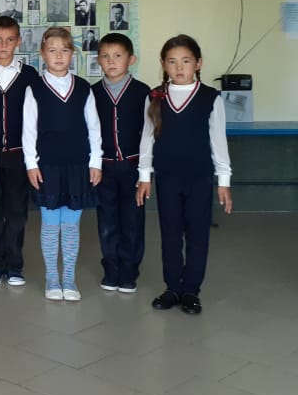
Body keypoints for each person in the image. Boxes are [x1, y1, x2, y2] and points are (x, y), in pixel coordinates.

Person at [137, 35, 232, 315]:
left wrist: (224, 181)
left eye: (186, 61)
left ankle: (191, 290)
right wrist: (144, 176)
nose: (179, 67)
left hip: (199, 178)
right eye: (172, 61)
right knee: (170, 233)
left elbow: (218, 142)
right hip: (167, 178)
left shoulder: (210, 98)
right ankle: (172, 288)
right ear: (163, 64)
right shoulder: (155, 96)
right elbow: (147, 139)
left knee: (197, 234)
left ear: (198, 63)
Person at [24, 27, 102, 302]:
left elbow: (94, 127)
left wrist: (95, 161)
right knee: (50, 224)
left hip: (78, 165)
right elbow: (28, 130)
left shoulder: (83, 88)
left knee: (71, 225)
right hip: (47, 167)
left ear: (72, 54)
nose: (58, 56)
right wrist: (31, 164)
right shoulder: (34, 88)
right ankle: (52, 278)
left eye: (65, 50)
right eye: (52, 50)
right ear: (43, 54)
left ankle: (69, 278)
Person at [0, 17, 39, 287]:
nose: (4, 45)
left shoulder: (30, 75)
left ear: (18, 41)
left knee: (16, 213)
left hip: (18, 156)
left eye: (10, 39)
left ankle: (14, 264)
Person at [92, 33, 150, 293]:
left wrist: (146, 171)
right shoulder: (93, 93)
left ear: (131, 59)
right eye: (105, 56)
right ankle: (111, 269)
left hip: (133, 168)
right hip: (103, 168)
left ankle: (129, 271)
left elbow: (149, 134)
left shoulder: (143, 92)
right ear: (98, 60)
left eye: (118, 56)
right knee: (107, 221)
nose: (111, 61)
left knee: (132, 220)